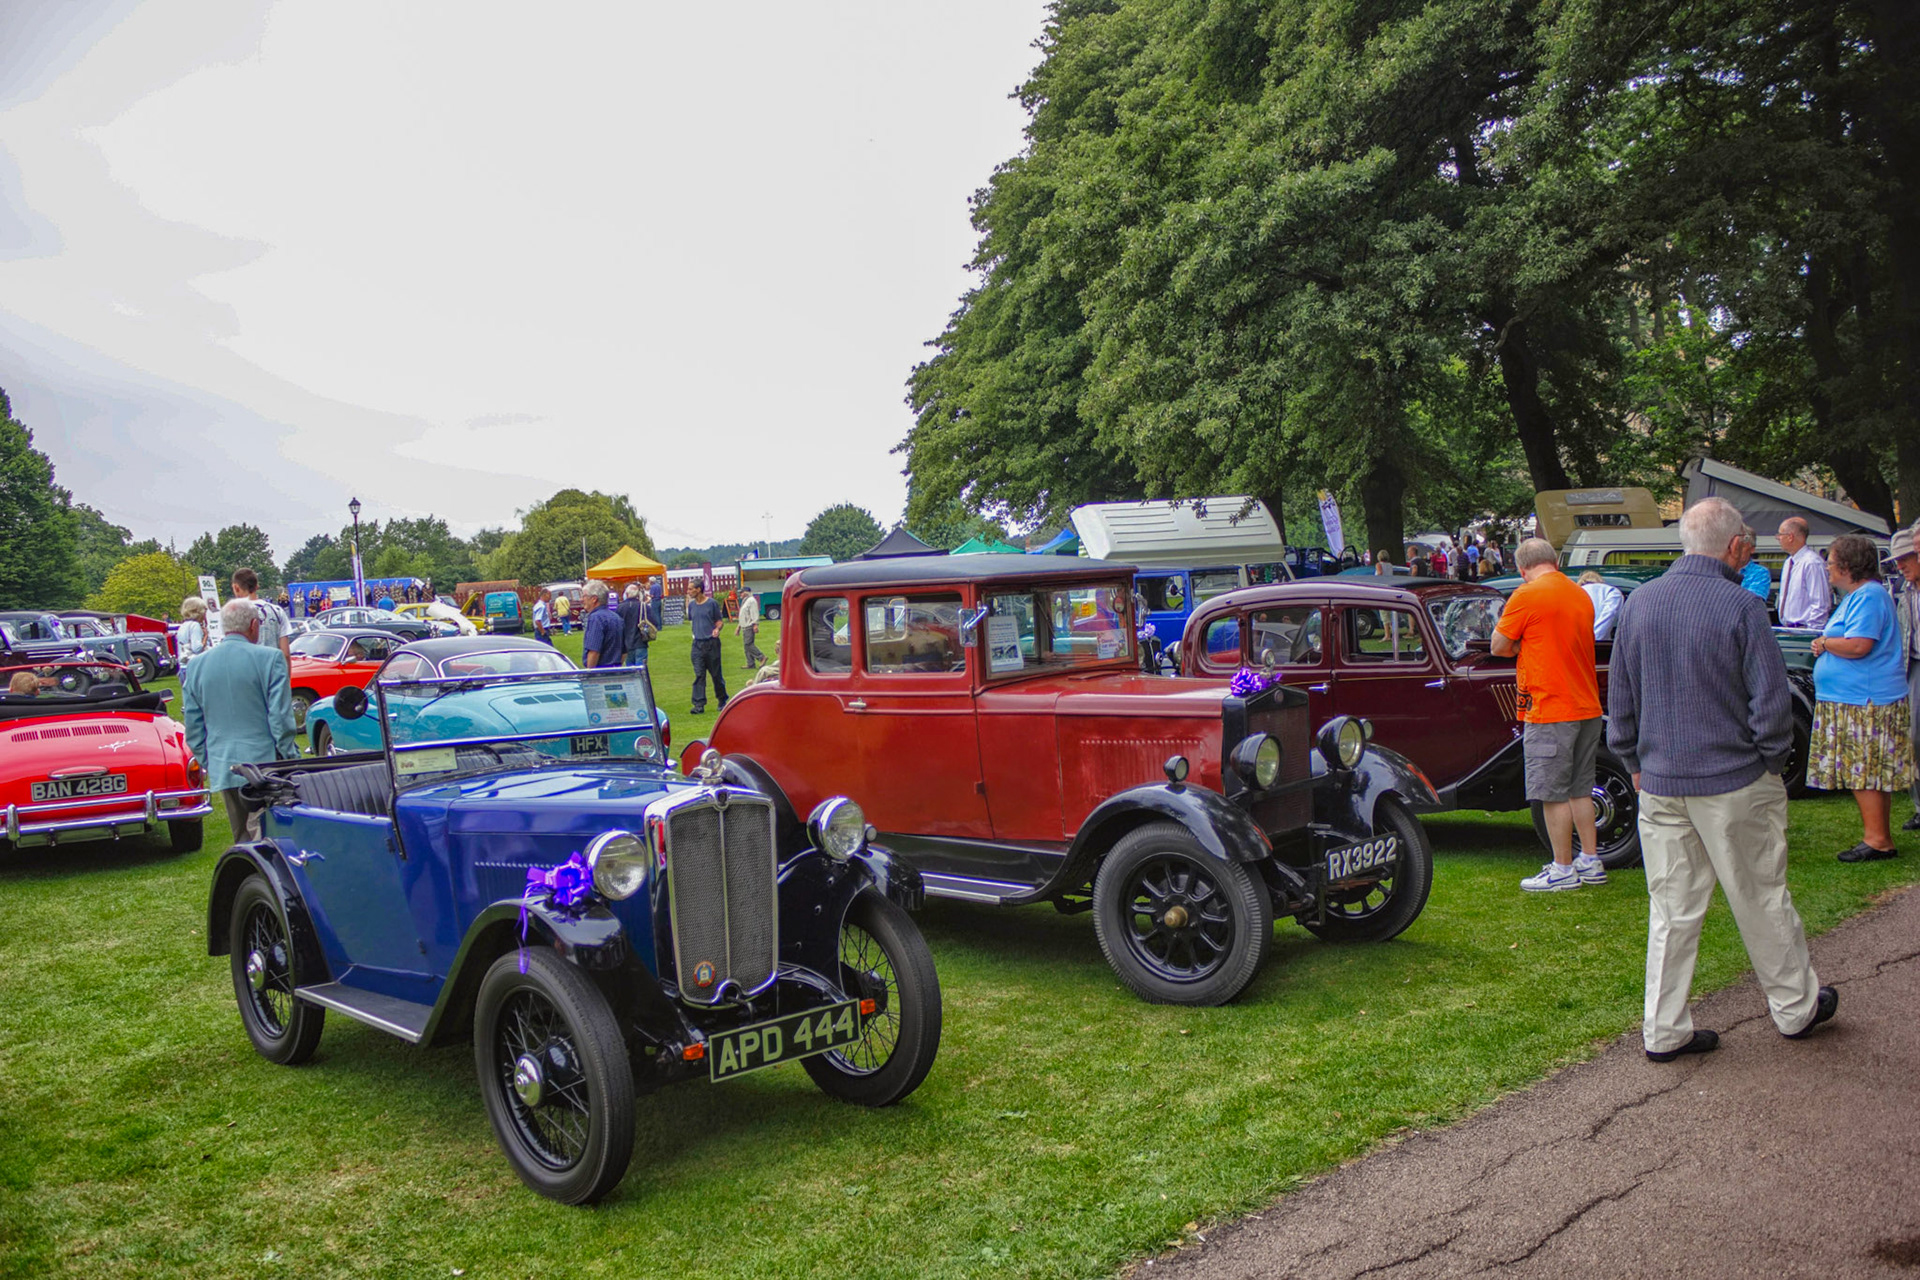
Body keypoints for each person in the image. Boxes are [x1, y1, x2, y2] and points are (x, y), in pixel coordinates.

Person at [1607, 496, 1835, 1060]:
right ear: (1734, 546)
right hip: (1733, 777)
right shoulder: (1741, 606)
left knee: (1672, 908)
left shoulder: (1640, 604)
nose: (1750, 552)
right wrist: (1769, 760)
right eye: (1748, 545)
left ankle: (1663, 1030)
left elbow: (1621, 695)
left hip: (1661, 779)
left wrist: (1634, 761)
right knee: (1760, 896)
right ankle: (1795, 1009)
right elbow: (1771, 701)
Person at [1493, 538, 1608, 892]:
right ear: (1555, 560)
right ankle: (1590, 859)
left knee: (1551, 792)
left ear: (1521, 568)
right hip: (1587, 704)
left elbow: (1499, 646)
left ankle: (1562, 868)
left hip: (1550, 706)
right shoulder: (1579, 594)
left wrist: (1521, 644)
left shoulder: (1527, 595)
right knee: (1581, 788)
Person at [1808, 533, 1913, 861]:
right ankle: (1879, 837)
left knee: (1863, 770)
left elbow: (1858, 645)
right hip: (1857, 697)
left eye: (1831, 561)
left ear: (1848, 564)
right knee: (1867, 771)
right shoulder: (1861, 596)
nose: (1827, 566)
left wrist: (1825, 643)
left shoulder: (1868, 595)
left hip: (1864, 700)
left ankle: (1878, 840)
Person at [182, 598, 298, 843]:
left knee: (242, 838)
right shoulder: (271, 659)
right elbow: (280, 718)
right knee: (271, 837)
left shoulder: (197, 666)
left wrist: (211, 759)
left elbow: (193, 727)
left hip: (224, 762)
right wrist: (289, 758)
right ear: (254, 625)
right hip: (266, 765)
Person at [1892, 525, 1920, 831]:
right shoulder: (1905, 591)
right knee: (1914, 739)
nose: (1901, 565)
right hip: (1914, 667)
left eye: (1906, 558)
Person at [232, 568, 290, 687]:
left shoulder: (233, 613)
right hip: (273, 676)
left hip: (246, 678)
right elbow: (285, 653)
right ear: (257, 586)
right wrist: (287, 681)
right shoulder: (277, 611)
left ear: (236, 587)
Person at [1775, 516, 1830, 629]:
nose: (1778, 538)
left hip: (1804, 630)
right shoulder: (1789, 562)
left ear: (1790, 537)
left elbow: (1820, 603)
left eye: (1780, 535)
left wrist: (1812, 631)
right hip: (1788, 629)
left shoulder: (1812, 563)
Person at [687, 581, 729, 713]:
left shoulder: (712, 604)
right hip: (697, 645)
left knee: (716, 674)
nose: (688, 591)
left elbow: (719, 621)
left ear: (699, 589)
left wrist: (717, 629)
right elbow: (692, 621)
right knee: (699, 675)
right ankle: (699, 704)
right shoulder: (691, 605)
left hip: (711, 644)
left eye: (690, 589)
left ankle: (722, 699)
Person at [580, 580, 625, 669]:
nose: (581, 600)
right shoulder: (617, 618)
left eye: (584, 596)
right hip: (616, 671)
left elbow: (594, 651)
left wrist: (590, 674)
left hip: (600, 673)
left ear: (594, 599)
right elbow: (624, 652)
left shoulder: (595, 618)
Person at [1577, 571, 1624, 642]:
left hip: (1579, 643)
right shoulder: (1612, 591)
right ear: (1600, 580)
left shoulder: (1575, 592)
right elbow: (1610, 613)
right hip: (1602, 644)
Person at [732, 588, 765, 668]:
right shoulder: (745, 601)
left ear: (747, 592)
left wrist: (755, 624)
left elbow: (754, 613)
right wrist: (738, 627)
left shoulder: (751, 601)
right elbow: (743, 615)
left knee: (748, 644)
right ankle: (750, 663)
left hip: (749, 625)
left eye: (742, 593)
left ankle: (761, 657)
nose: (740, 594)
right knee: (746, 646)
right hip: (745, 625)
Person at [1735, 527, 1771, 601]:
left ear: (1752, 549)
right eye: (1735, 546)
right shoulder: (1720, 569)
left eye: (1742, 547)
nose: (1737, 550)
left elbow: (1752, 603)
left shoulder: (1760, 573)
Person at [177, 596, 211, 667]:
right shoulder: (195, 625)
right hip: (195, 666)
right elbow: (197, 649)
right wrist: (205, 636)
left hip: (184, 665)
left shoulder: (183, 625)